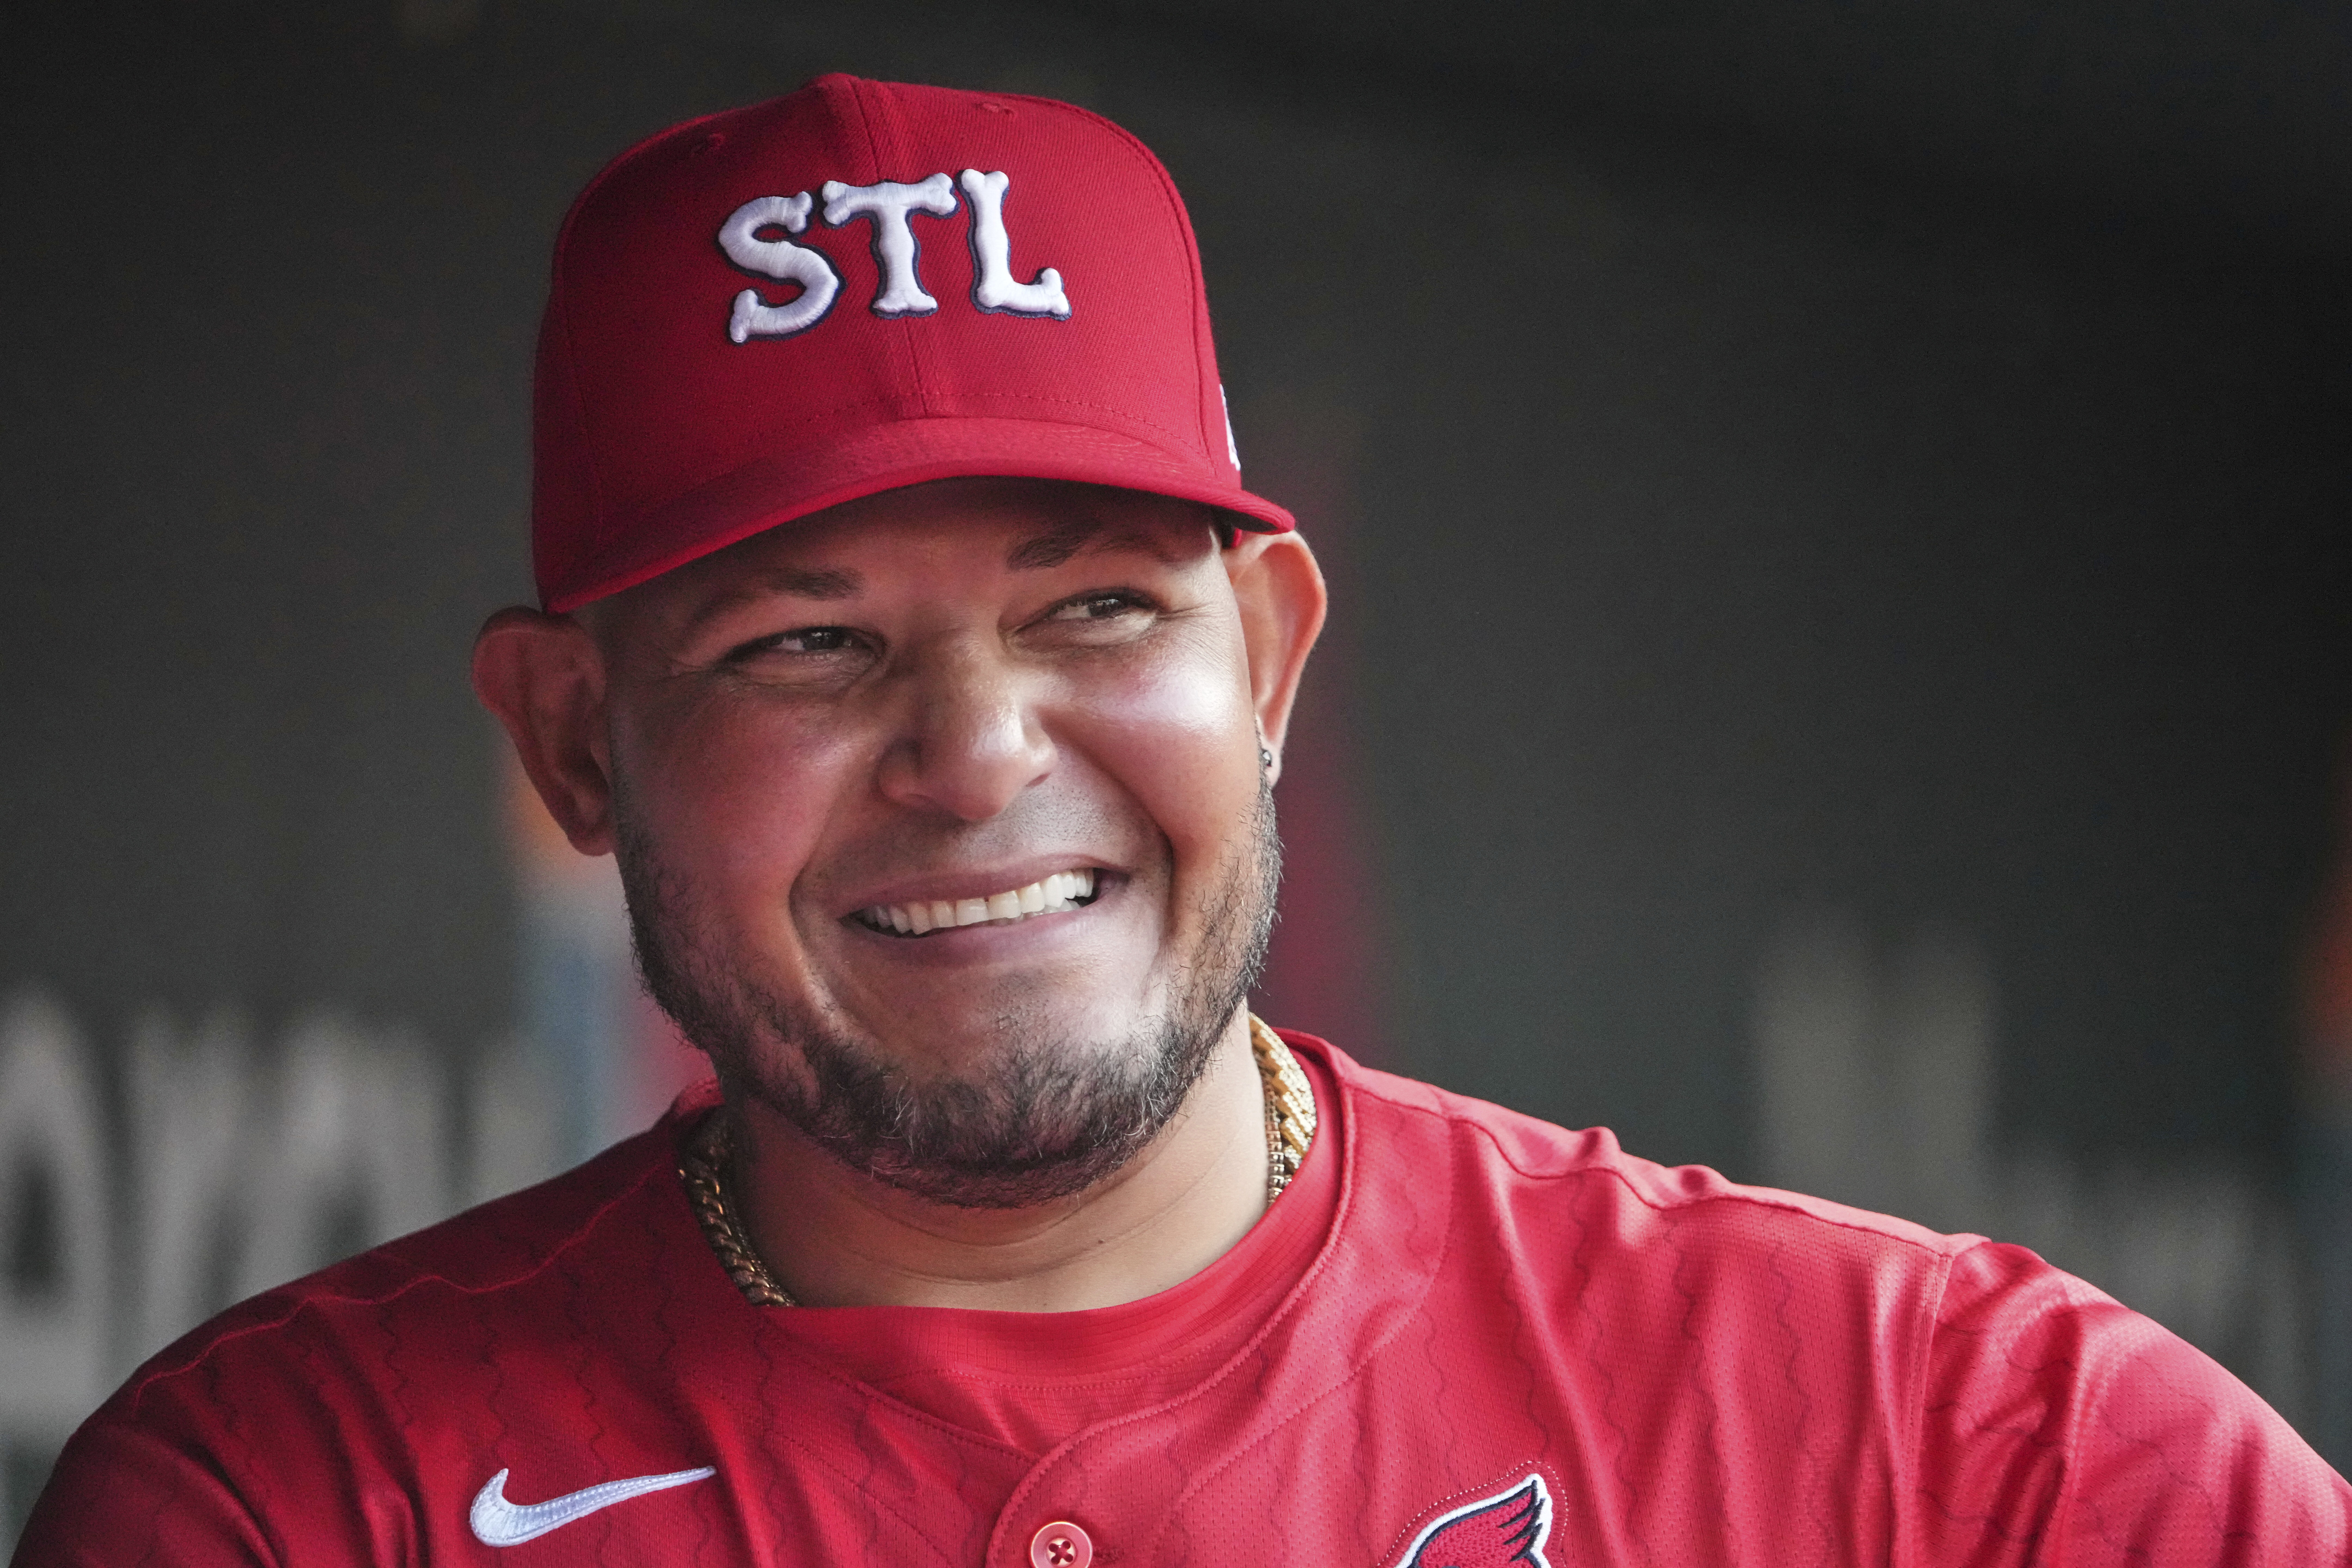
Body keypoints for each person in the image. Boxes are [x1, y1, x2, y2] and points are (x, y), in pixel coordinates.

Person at [19, 72, 2349, 1567]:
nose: (977, 752)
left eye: (1100, 608)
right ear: (568, 748)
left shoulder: (1966, 1459)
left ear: (1274, 658)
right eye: (804, 645)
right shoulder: (300, 1508)